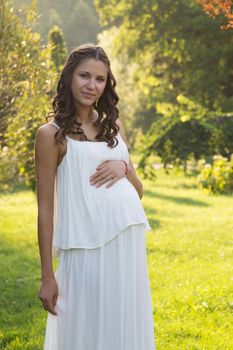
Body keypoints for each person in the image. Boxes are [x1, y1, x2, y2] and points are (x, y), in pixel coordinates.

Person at [34, 43, 156, 350]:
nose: (92, 85)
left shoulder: (112, 128)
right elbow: (46, 209)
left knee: (122, 325)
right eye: (84, 76)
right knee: (83, 327)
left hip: (126, 245)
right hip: (84, 247)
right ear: (69, 78)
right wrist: (48, 277)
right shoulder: (51, 135)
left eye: (99, 79)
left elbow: (138, 191)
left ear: (106, 84)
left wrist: (124, 166)